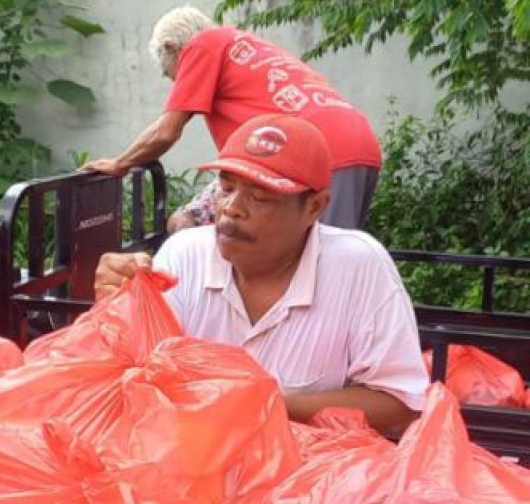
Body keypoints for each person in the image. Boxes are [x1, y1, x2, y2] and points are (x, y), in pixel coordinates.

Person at [94, 114, 427, 432]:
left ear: (314, 207)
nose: (232, 208)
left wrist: (263, 405)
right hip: (188, 464)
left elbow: (398, 401)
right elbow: (132, 371)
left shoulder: (356, 265)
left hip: (307, 476)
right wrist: (116, 306)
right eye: (225, 188)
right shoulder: (185, 254)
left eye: (260, 197)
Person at [82, 6, 382, 232]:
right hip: (357, 142)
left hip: (321, 152)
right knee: (329, 256)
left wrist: (120, 163)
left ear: (173, 49)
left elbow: (166, 131)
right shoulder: (241, 45)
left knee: (324, 268)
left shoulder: (201, 46)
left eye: (168, 72)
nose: (174, 82)